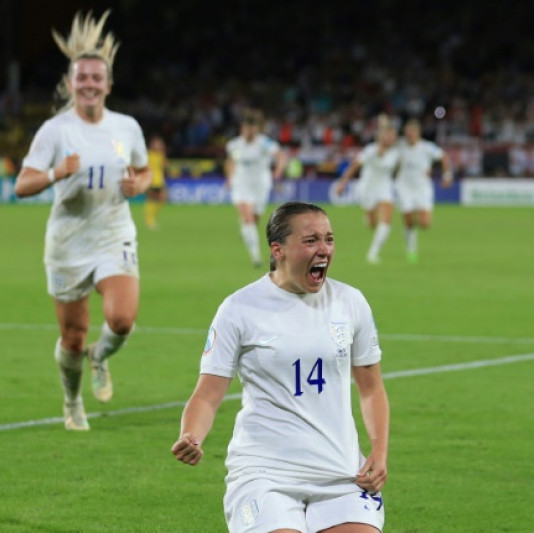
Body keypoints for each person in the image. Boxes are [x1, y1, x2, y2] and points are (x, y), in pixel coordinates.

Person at [172, 202, 389, 533]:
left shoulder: (350, 302)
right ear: (278, 249)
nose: (324, 249)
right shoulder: (239, 309)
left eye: (329, 239)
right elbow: (208, 394)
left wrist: (379, 451)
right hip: (265, 474)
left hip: (342, 473)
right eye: (311, 240)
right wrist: (192, 435)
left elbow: (371, 387)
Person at [14, 11, 151, 431]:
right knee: (72, 337)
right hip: (68, 242)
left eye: (97, 78)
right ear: (71, 84)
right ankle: (72, 402)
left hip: (113, 235)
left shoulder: (127, 127)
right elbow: (21, 185)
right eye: (82, 78)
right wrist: (57, 172)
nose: (89, 84)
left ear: (108, 85)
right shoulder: (55, 131)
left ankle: (101, 356)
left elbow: (144, 171)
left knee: (122, 320)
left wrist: (137, 185)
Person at [225, 110, 287, 268]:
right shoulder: (234, 144)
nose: (249, 132)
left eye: (252, 128)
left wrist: (278, 171)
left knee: (255, 219)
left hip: (260, 184)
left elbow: (280, 156)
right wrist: (230, 178)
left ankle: (246, 230)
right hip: (241, 183)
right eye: (246, 128)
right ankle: (256, 257)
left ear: (257, 129)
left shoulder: (264, 143)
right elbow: (230, 161)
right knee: (247, 217)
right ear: (242, 128)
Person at [335, 118, 400, 264]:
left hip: (384, 187)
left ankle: (373, 253)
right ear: (382, 136)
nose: (392, 138)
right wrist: (342, 183)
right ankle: (368, 215)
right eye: (389, 135)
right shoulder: (370, 150)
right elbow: (354, 165)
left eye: (394, 135)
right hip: (367, 188)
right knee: (372, 224)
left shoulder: (395, 153)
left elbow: (397, 170)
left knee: (387, 219)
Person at [394, 119, 453, 263]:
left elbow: (444, 156)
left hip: (422, 188)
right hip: (404, 187)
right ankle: (411, 250)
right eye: (407, 133)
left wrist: (447, 175)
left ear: (418, 133)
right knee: (408, 220)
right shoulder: (400, 146)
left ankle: (413, 226)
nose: (410, 135)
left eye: (412, 133)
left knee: (425, 224)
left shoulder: (427, 147)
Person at [144, 135, 167, 229]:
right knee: (151, 199)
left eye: (159, 144)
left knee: (162, 199)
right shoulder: (148, 155)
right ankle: (149, 220)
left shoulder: (161, 155)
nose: (158, 145)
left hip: (159, 180)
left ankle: (151, 218)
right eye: (156, 144)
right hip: (151, 181)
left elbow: (164, 166)